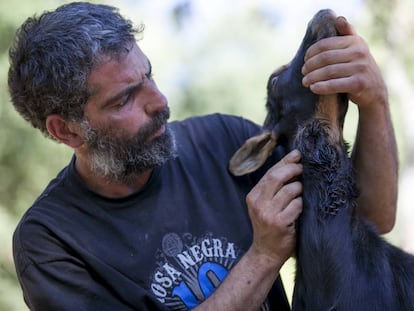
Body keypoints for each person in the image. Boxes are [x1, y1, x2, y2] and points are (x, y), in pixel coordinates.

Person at [8, 2, 398, 311]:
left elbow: (370, 218)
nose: (159, 102)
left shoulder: (222, 139)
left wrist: (374, 101)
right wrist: (262, 256)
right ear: (66, 130)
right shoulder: (51, 241)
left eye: (149, 76)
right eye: (125, 98)